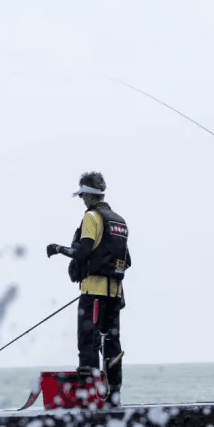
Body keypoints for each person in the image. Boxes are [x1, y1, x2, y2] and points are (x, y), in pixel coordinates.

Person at [46, 171, 131, 404]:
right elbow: (127, 261)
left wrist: (57, 248)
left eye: (83, 195)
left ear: (89, 195)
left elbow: (82, 252)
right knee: (112, 344)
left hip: (93, 293)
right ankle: (114, 396)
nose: (82, 200)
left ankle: (90, 397)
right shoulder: (119, 221)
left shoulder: (92, 217)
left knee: (89, 342)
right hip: (115, 294)